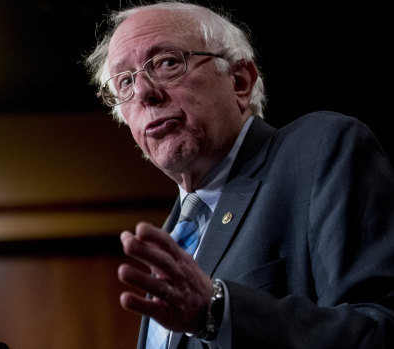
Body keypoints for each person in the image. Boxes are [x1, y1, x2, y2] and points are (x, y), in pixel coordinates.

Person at [84, 1, 394, 348]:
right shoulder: (169, 241)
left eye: (168, 63)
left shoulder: (319, 150)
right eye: (125, 82)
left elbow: (377, 328)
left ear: (240, 81)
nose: (143, 93)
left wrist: (219, 311)